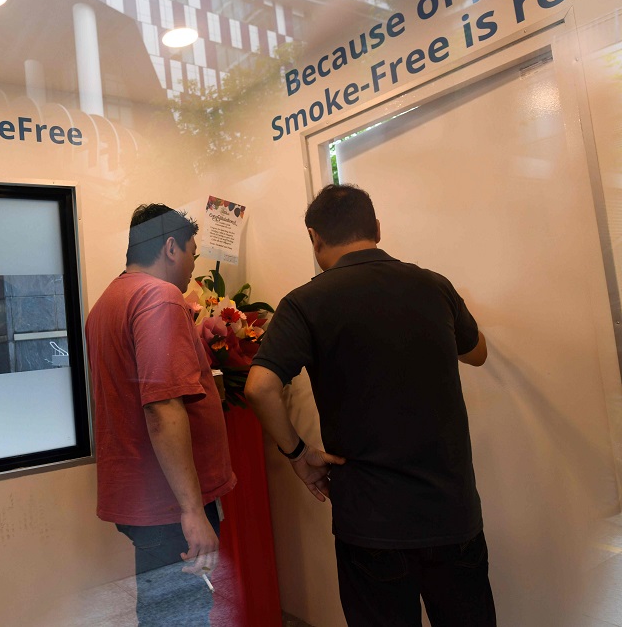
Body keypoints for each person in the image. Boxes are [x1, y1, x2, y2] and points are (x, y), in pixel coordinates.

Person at [245, 184, 496, 626]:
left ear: (314, 238)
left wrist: (299, 456)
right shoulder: (433, 285)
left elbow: (259, 387)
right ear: (377, 229)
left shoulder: (305, 303)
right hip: (450, 513)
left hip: (370, 524)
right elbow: (477, 352)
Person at [86, 203, 236, 626]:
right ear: (171, 247)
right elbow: (162, 406)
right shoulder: (158, 297)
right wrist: (191, 511)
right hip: (171, 503)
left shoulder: (107, 302)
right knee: (183, 616)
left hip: (143, 494)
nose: (192, 265)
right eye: (192, 250)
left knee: (162, 613)